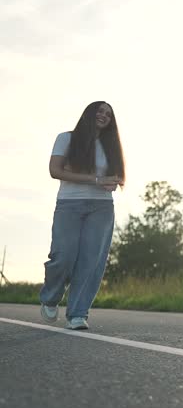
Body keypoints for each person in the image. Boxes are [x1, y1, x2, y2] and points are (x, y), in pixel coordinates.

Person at [40, 101, 124, 330]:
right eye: (100, 110)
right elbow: (55, 171)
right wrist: (96, 180)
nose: (104, 115)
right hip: (69, 204)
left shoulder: (110, 145)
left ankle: (78, 313)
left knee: (91, 261)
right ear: (89, 113)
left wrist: (113, 183)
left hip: (102, 207)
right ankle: (50, 297)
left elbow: (114, 176)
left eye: (108, 114)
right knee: (64, 255)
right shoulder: (66, 138)